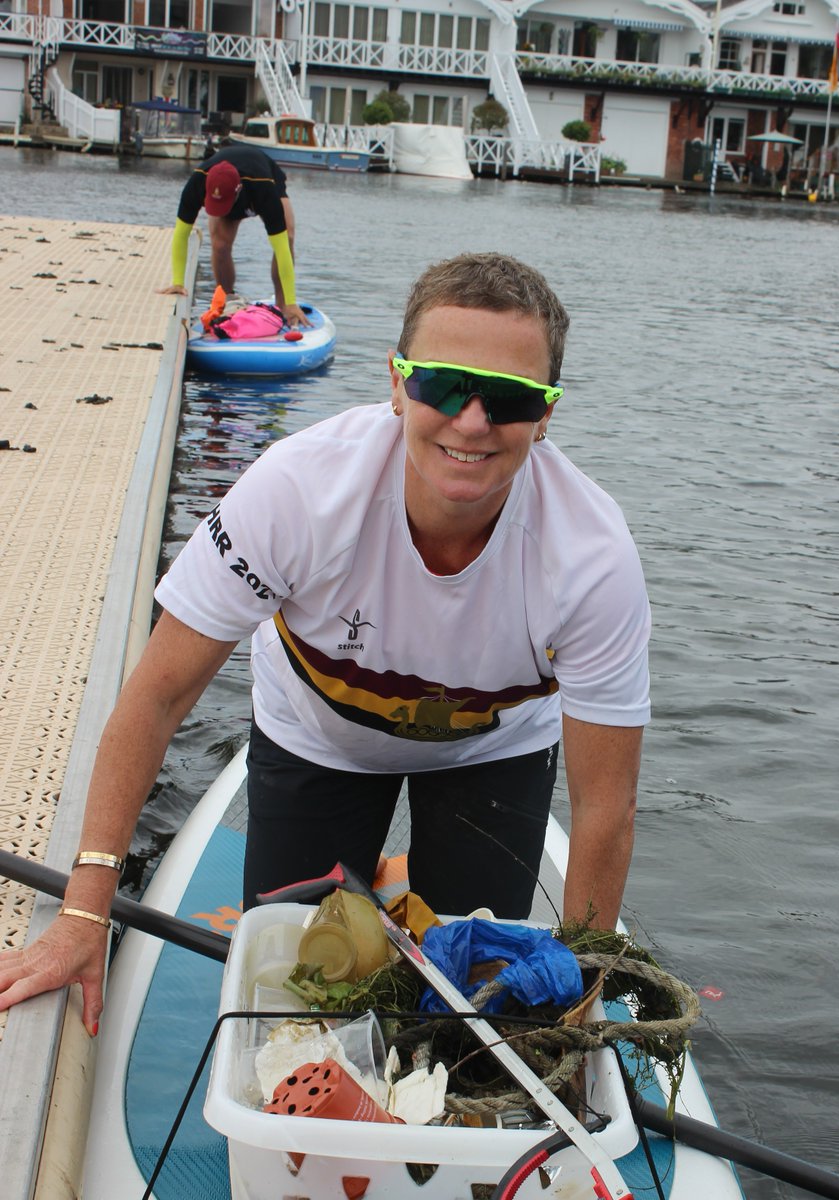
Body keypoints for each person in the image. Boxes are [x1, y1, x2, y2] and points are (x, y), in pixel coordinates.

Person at [0, 252, 651, 1036]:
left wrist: (575, 997)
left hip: (491, 753)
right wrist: (83, 912)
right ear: (396, 381)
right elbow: (158, 694)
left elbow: (604, 805)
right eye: (443, 385)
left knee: (474, 1009)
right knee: (301, 996)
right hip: (318, 735)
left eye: (509, 398)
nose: (473, 421)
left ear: (547, 414)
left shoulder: (592, 556)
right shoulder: (298, 491)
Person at [157, 143, 311, 328]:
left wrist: (292, 301)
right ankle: (228, 302)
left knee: (288, 236)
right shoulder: (197, 182)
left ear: (237, 191)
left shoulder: (264, 189)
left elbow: (281, 248)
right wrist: (178, 282)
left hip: (261, 175)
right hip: (224, 188)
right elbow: (181, 234)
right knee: (220, 245)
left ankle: (284, 305)